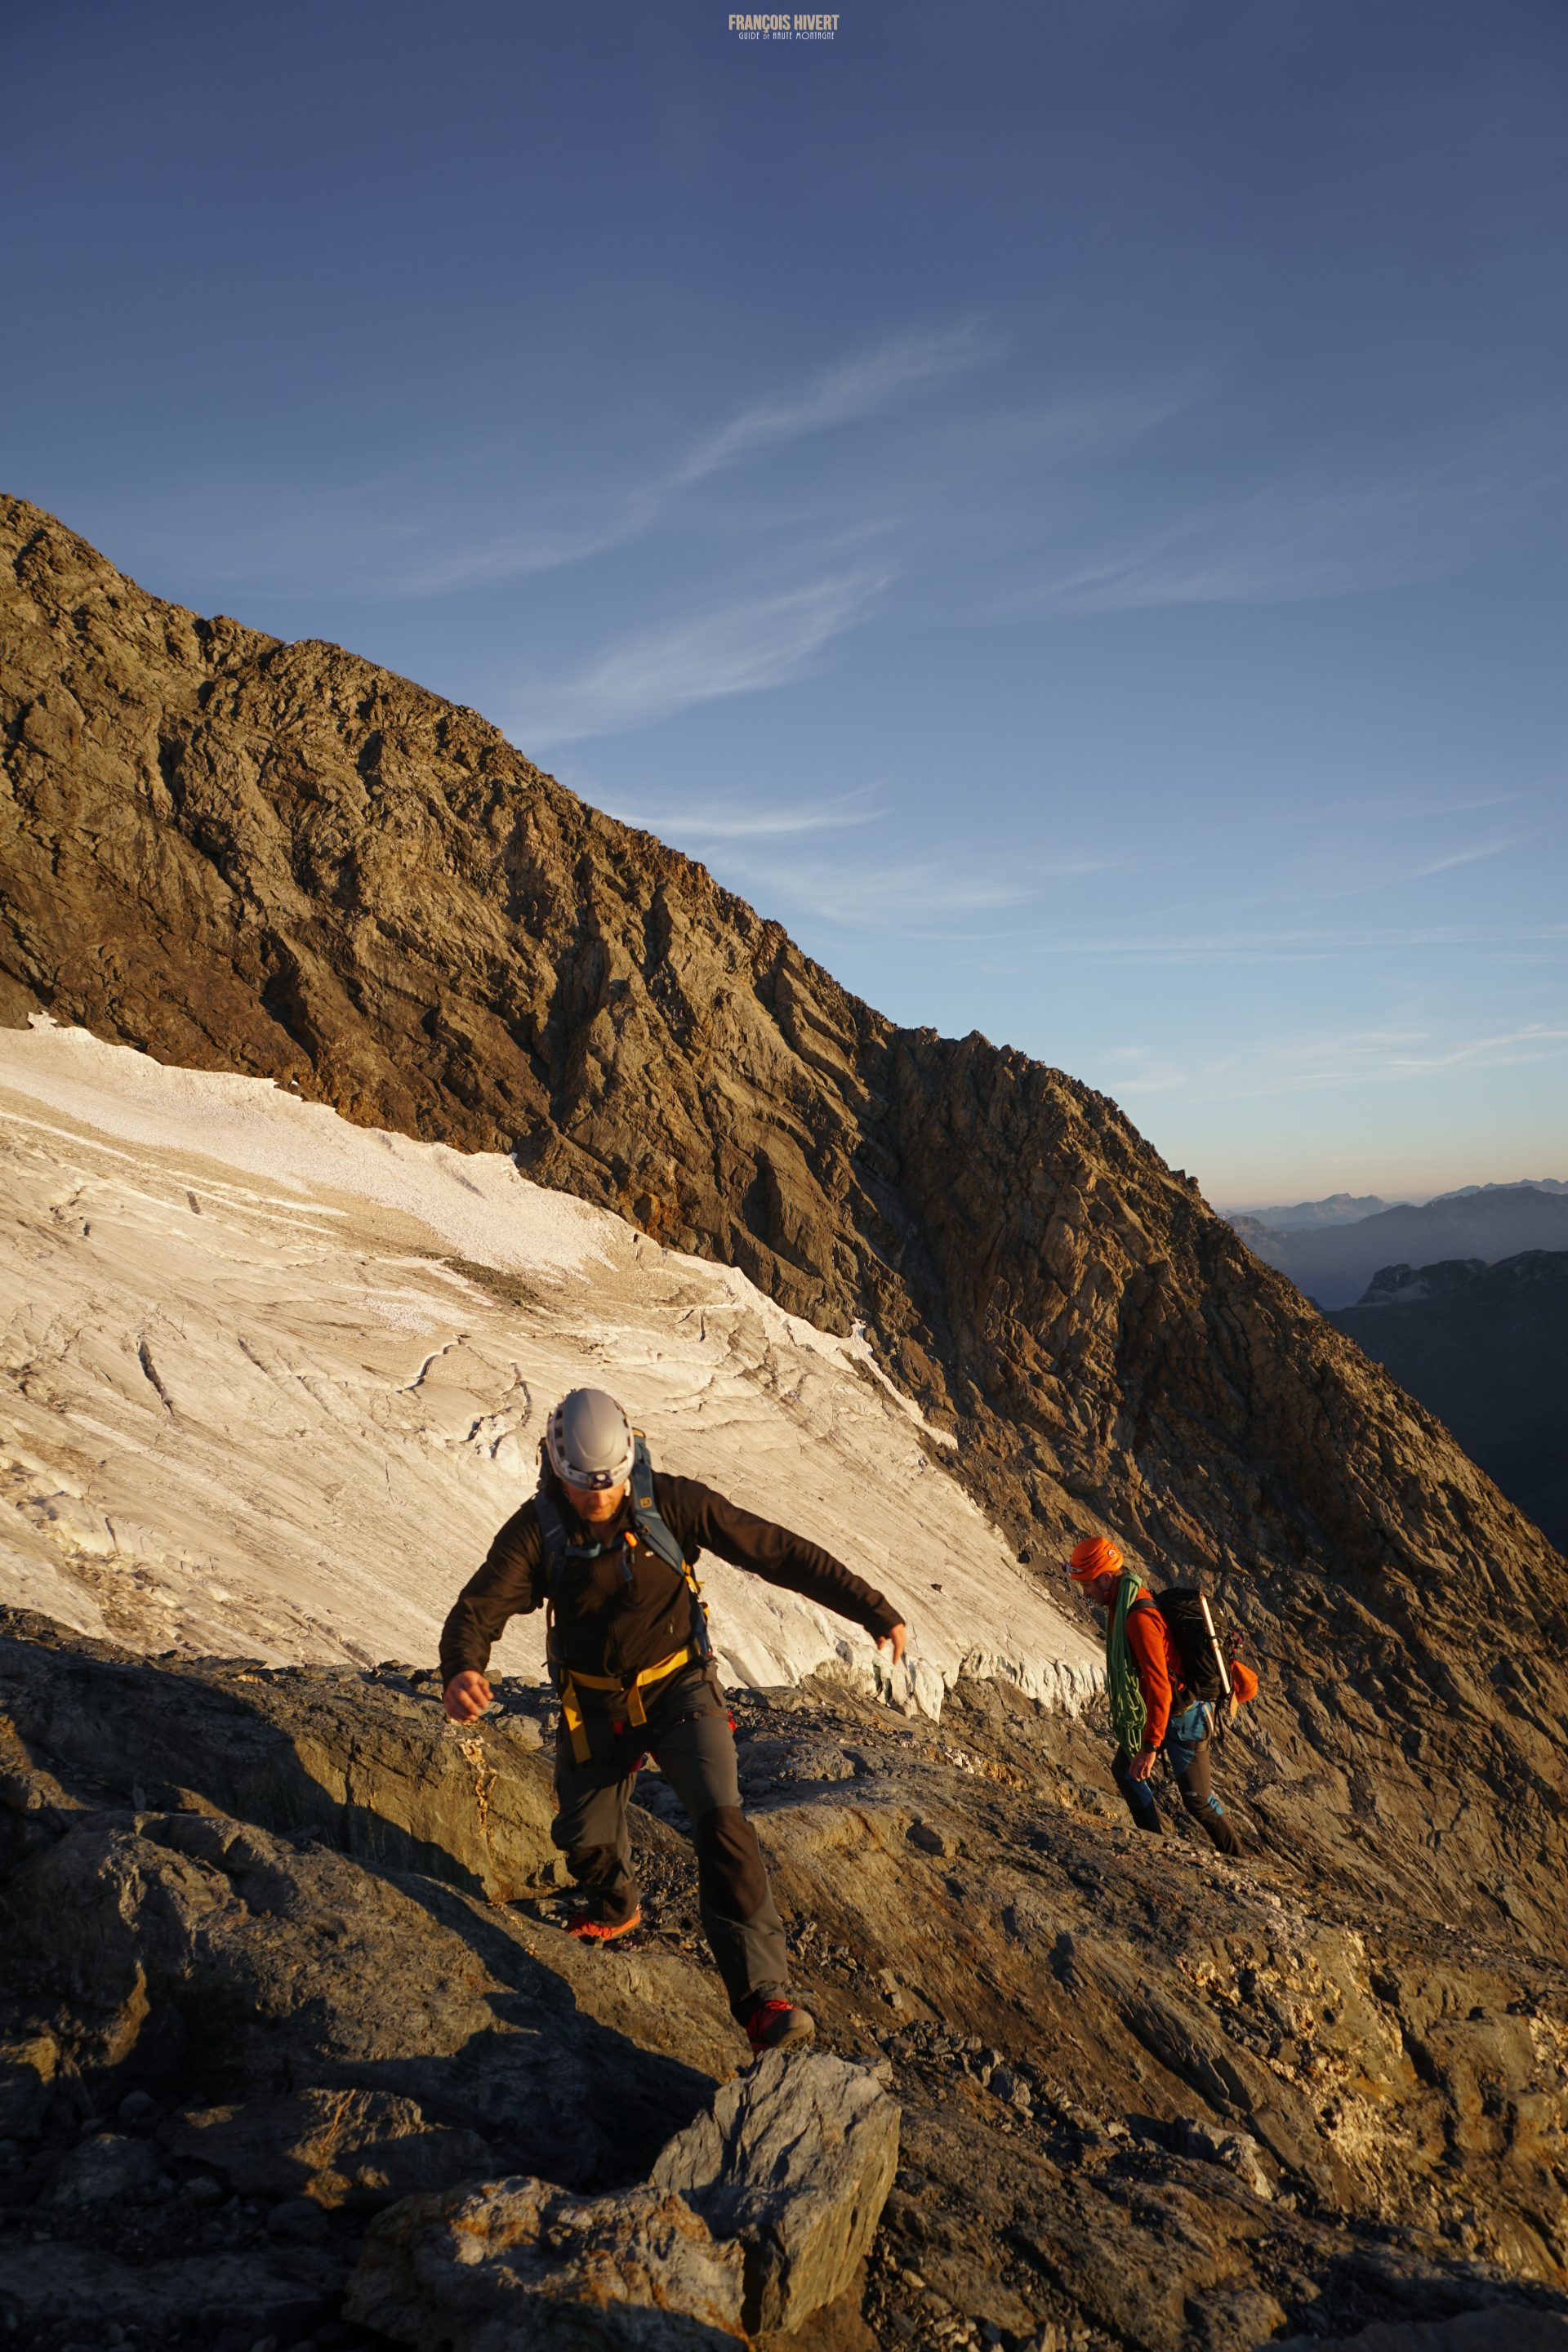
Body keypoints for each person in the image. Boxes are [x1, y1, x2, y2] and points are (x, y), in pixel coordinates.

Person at [440, 1387, 909, 2056]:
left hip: (681, 1690)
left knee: (723, 1822)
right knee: (582, 1835)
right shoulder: (535, 1533)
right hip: (595, 1706)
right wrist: (462, 1668)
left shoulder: (672, 1502)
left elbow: (774, 1550)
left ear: (628, 1461)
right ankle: (614, 1903)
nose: (600, 1499)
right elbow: (478, 1609)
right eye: (584, 1487)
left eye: (609, 1484)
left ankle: (762, 2000)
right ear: (557, 1469)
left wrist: (872, 1608)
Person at [1067, 1535, 1258, 1856]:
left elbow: (1159, 1686)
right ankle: (1154, 1847)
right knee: (1127, 1773)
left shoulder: (1138, 1618)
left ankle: (1241, 1860)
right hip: (1167, 1713)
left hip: (1184, 1716)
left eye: (1086, 1583)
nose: (1084, 1592)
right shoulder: (1123, 1603)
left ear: (1105, 1577)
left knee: (1198, 1801)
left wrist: (1151, 1747)